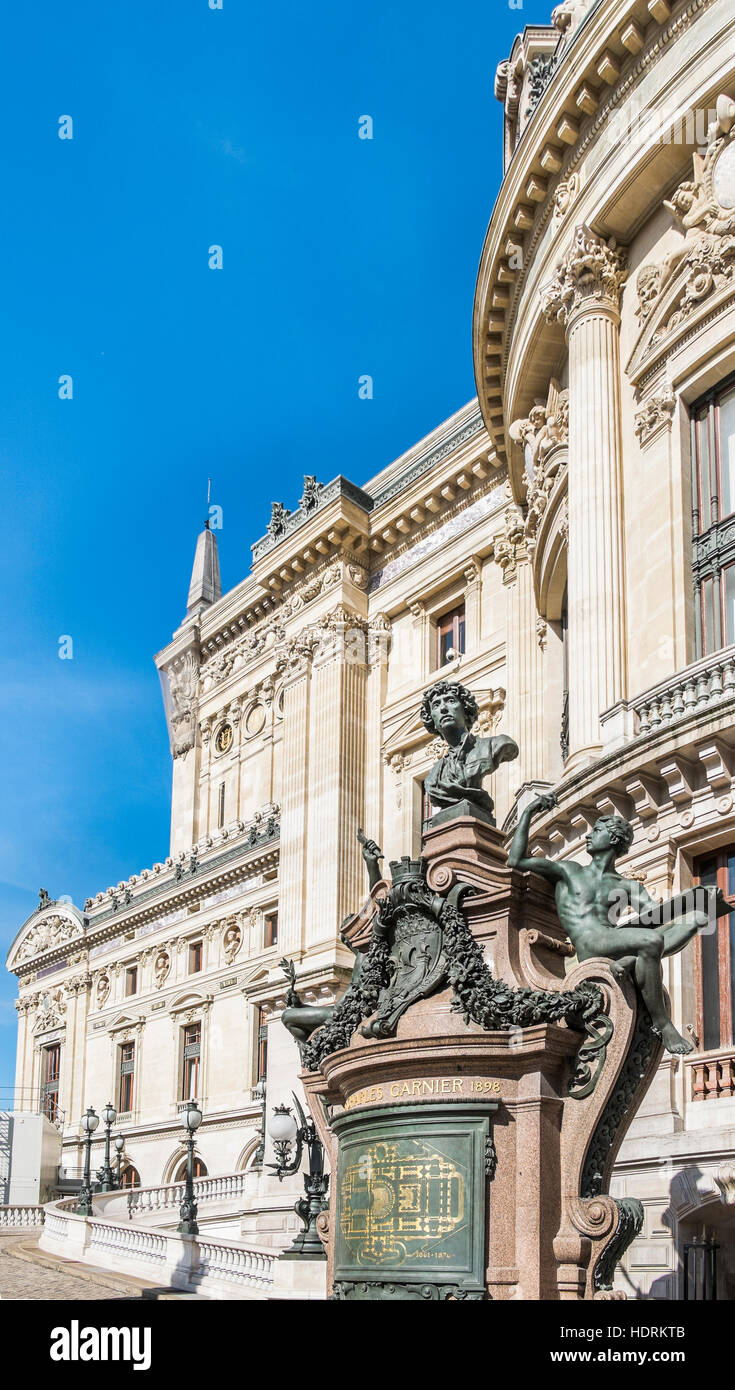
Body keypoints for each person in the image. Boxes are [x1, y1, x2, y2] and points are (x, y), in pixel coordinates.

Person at [508, 793, 723, 1055]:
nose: (588, 835)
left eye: (595, 831)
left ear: (611, 839)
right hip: (588, 943)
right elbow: (516, 860)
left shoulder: (626, 886)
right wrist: (529, 811)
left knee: (689, 922)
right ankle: (663, 1023)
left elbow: (657, 916)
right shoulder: (569, 870)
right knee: (651, 941)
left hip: (610, 938)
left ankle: (635, 958)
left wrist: (698, 903)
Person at [421, 680, 519, 820]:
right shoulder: (433, 778)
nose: (443, 708)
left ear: (466, 710)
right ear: (433, 721)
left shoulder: (494, 745)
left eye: (450, 701)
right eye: (436, 705)